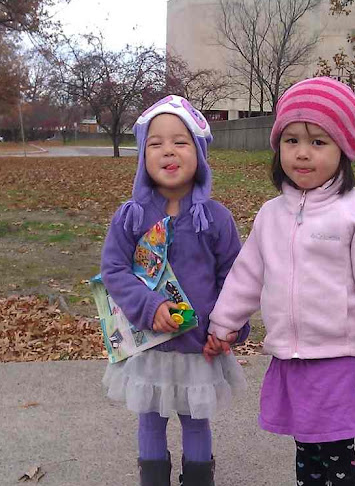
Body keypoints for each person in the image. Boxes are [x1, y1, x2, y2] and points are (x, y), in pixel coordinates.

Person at [204, 77, 355, 486]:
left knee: (335, 453)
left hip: (338, 357)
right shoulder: (271, 214)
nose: (302, 153)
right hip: (291, 358)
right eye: (291, 140)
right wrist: (223, 323)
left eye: (318, 142)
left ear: (343, 149)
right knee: (307, 449)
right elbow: (247, 275)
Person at [101, 95, 248, 486]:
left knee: (196, 421)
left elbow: (236, 278)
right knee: (150, 419)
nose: (168, 151)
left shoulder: (215, 219)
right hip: (149, 346)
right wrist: (149, 307)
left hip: (199, 347)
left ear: (199, 154)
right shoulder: (131, 217)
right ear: (142, 156)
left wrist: (229, 328)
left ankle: (198, 479)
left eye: (180, 142)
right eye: (156, 143)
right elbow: (113, 269)